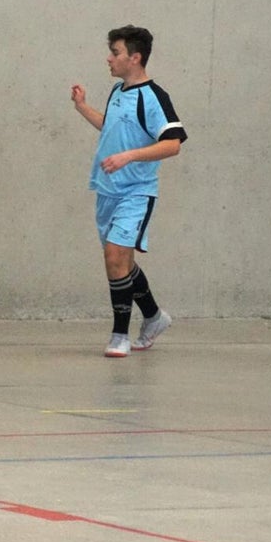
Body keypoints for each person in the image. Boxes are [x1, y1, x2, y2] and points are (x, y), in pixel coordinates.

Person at [70, 25, 186, 358]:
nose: (109, 58)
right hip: (107, 190)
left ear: (135, 58)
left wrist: (129, 156)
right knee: (121, 262)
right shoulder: (119, 91)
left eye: (116, 52)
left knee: (114, 259)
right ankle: (154, 317)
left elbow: (173, 144)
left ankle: (120, 335)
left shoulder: (154, 97)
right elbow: (111, 126)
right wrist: (82, 106)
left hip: (137, 191)